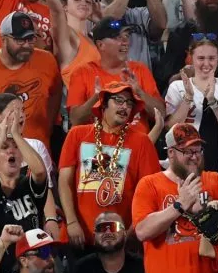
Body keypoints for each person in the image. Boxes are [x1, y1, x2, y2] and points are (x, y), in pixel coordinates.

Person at [131, 123, 218, 273]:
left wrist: (208, 210)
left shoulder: (216, 180)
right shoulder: (149, 184)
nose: (195, 157)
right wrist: (180, 206)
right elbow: (142, 231)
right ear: (171, 153)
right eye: (187, 152)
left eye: (198, 150)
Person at [59, 82, 162, 251]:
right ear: (104, 104)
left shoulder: (141, 141)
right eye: (119, 100)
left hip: (121, 239)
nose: (125, 107)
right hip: (81, 235)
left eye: (129, 103)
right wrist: (71, 221)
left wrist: (132, 232)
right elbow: (64, 182)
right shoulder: (77, 134)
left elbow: (149, 192)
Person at [0, 12, 61, 147]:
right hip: (1, 156)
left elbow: (55, 97)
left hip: (39, 153)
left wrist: (45, 131)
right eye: (20, 40)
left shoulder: (47, 61)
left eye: (30, 39)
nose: (27, 45)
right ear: (3, 39)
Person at [0, 105, 48, 273]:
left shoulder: (29, 185)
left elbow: (41, 172)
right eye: (5, 148)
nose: (11, 150)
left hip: (31, 271)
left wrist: (16, 135)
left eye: (16, 147)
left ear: (22, 157)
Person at [67, 18, 164, 137]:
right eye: (118, 37)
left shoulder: (140, 70)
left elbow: (161, 114)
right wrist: (97, 97)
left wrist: (139, 92)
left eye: (127, 36)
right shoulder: (82, 73)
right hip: (97, 148)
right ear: (100, 45)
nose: (125, 42)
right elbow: (75, 119)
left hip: (135, 146)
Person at [164, 36, 218, 180]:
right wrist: (188, 98)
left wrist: (212, 101)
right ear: (191, 59)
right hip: (184, 167)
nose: (206, 63)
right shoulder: (178, 87)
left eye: (212, 58)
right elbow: (170, 128)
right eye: (201, 58)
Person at [69, 212, 146, 273]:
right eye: (101, 228)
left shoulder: (141, 266)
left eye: (114, 227)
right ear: (94, 236)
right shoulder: (83, 268)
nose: (108, 232)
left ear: (125, 234)